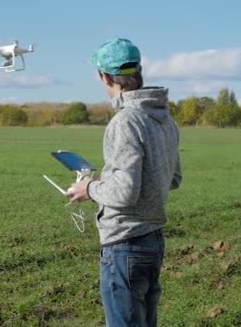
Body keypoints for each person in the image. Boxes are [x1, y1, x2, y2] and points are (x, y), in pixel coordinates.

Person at [66, 38, 182, 326]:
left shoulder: (125, 122)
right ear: (138, 70)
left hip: (125, 246)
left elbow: (126, 192)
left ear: (105, 77)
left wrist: (89, 187)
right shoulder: (164, 118)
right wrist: (110, 179)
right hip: (153, 240)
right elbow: (173, 178)